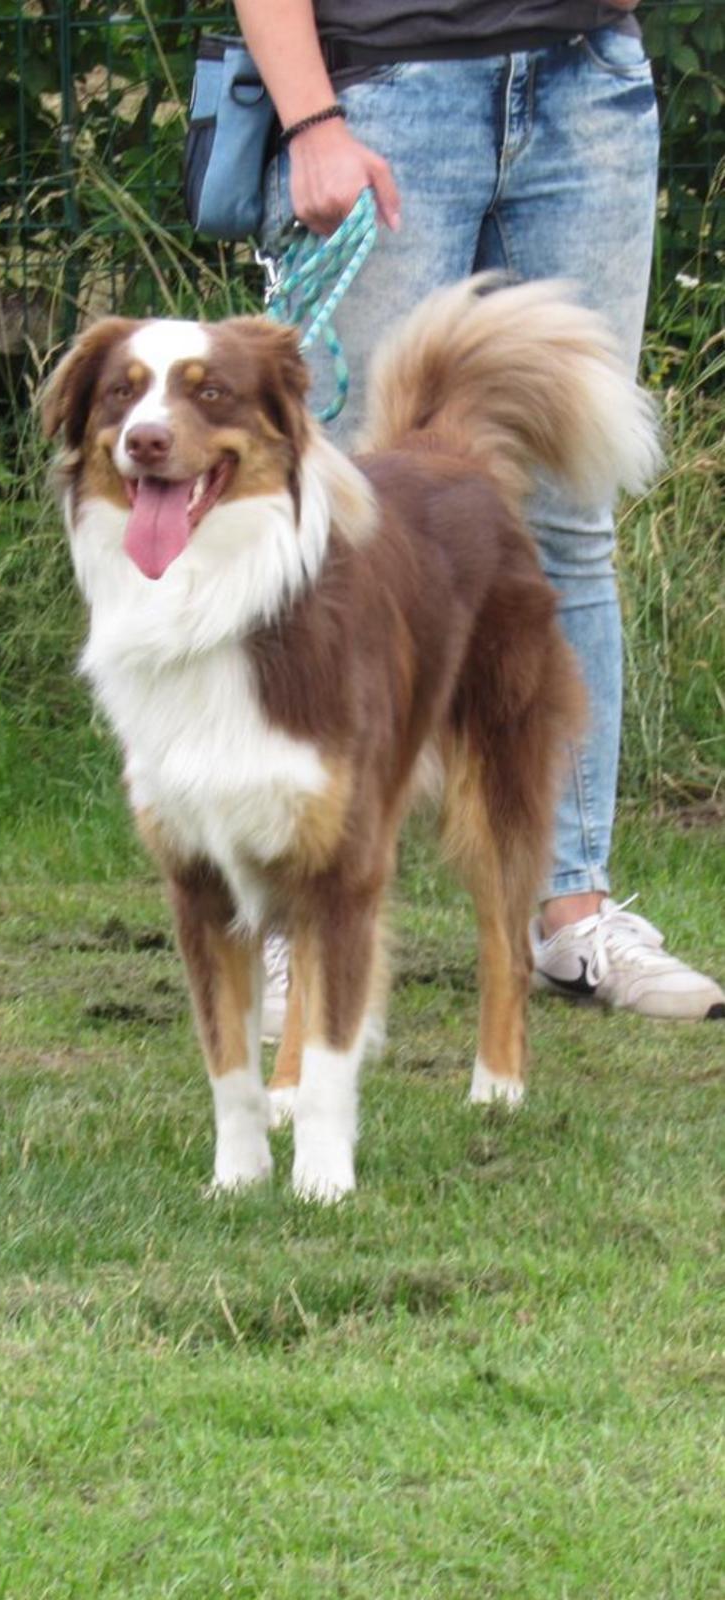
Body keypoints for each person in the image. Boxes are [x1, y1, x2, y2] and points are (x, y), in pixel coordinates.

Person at [237, 0, 724, 1025]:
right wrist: (311, 120)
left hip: (586, 78)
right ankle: (298, 916)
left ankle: (572, 912)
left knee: (572, 524)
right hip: (383, 90)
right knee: (338, 528)